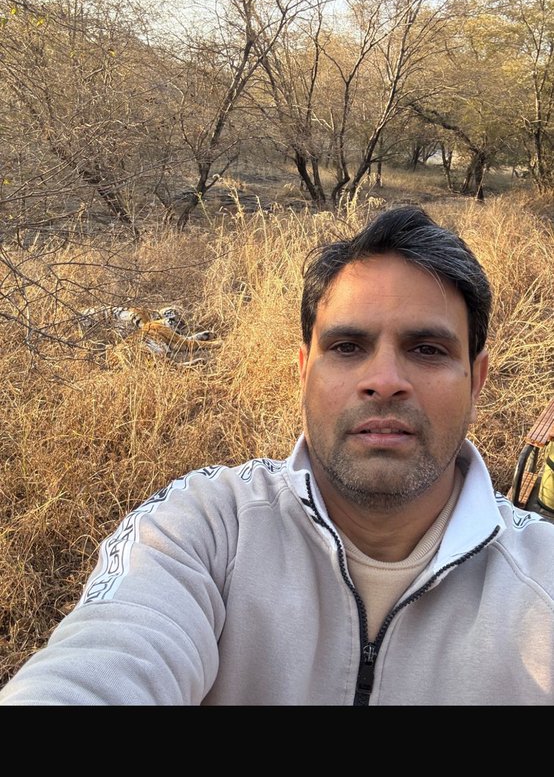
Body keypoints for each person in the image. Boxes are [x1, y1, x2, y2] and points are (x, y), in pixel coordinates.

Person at [1, 203, 554, 706]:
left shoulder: (542, 575)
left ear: (476, 381)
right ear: (303, 373)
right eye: (347, 347)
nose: (385, 380)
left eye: (427, 349)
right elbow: (99, 667)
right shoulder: (207, 530)